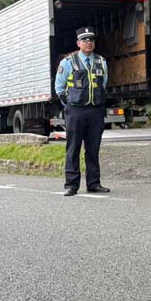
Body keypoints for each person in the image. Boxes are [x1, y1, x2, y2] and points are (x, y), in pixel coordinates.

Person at [55, 27, 110, 196]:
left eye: (91, 40)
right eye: (85, 40)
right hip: (76, 111)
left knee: (93, 149)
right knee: (73, 148)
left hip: (95, 111)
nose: (89, 43)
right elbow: (59, 87)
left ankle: (94, 183)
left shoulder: (101, 61)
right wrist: (70, 104)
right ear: (78, 43)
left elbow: (104, 84)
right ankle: (71, 185)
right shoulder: (68, 62)